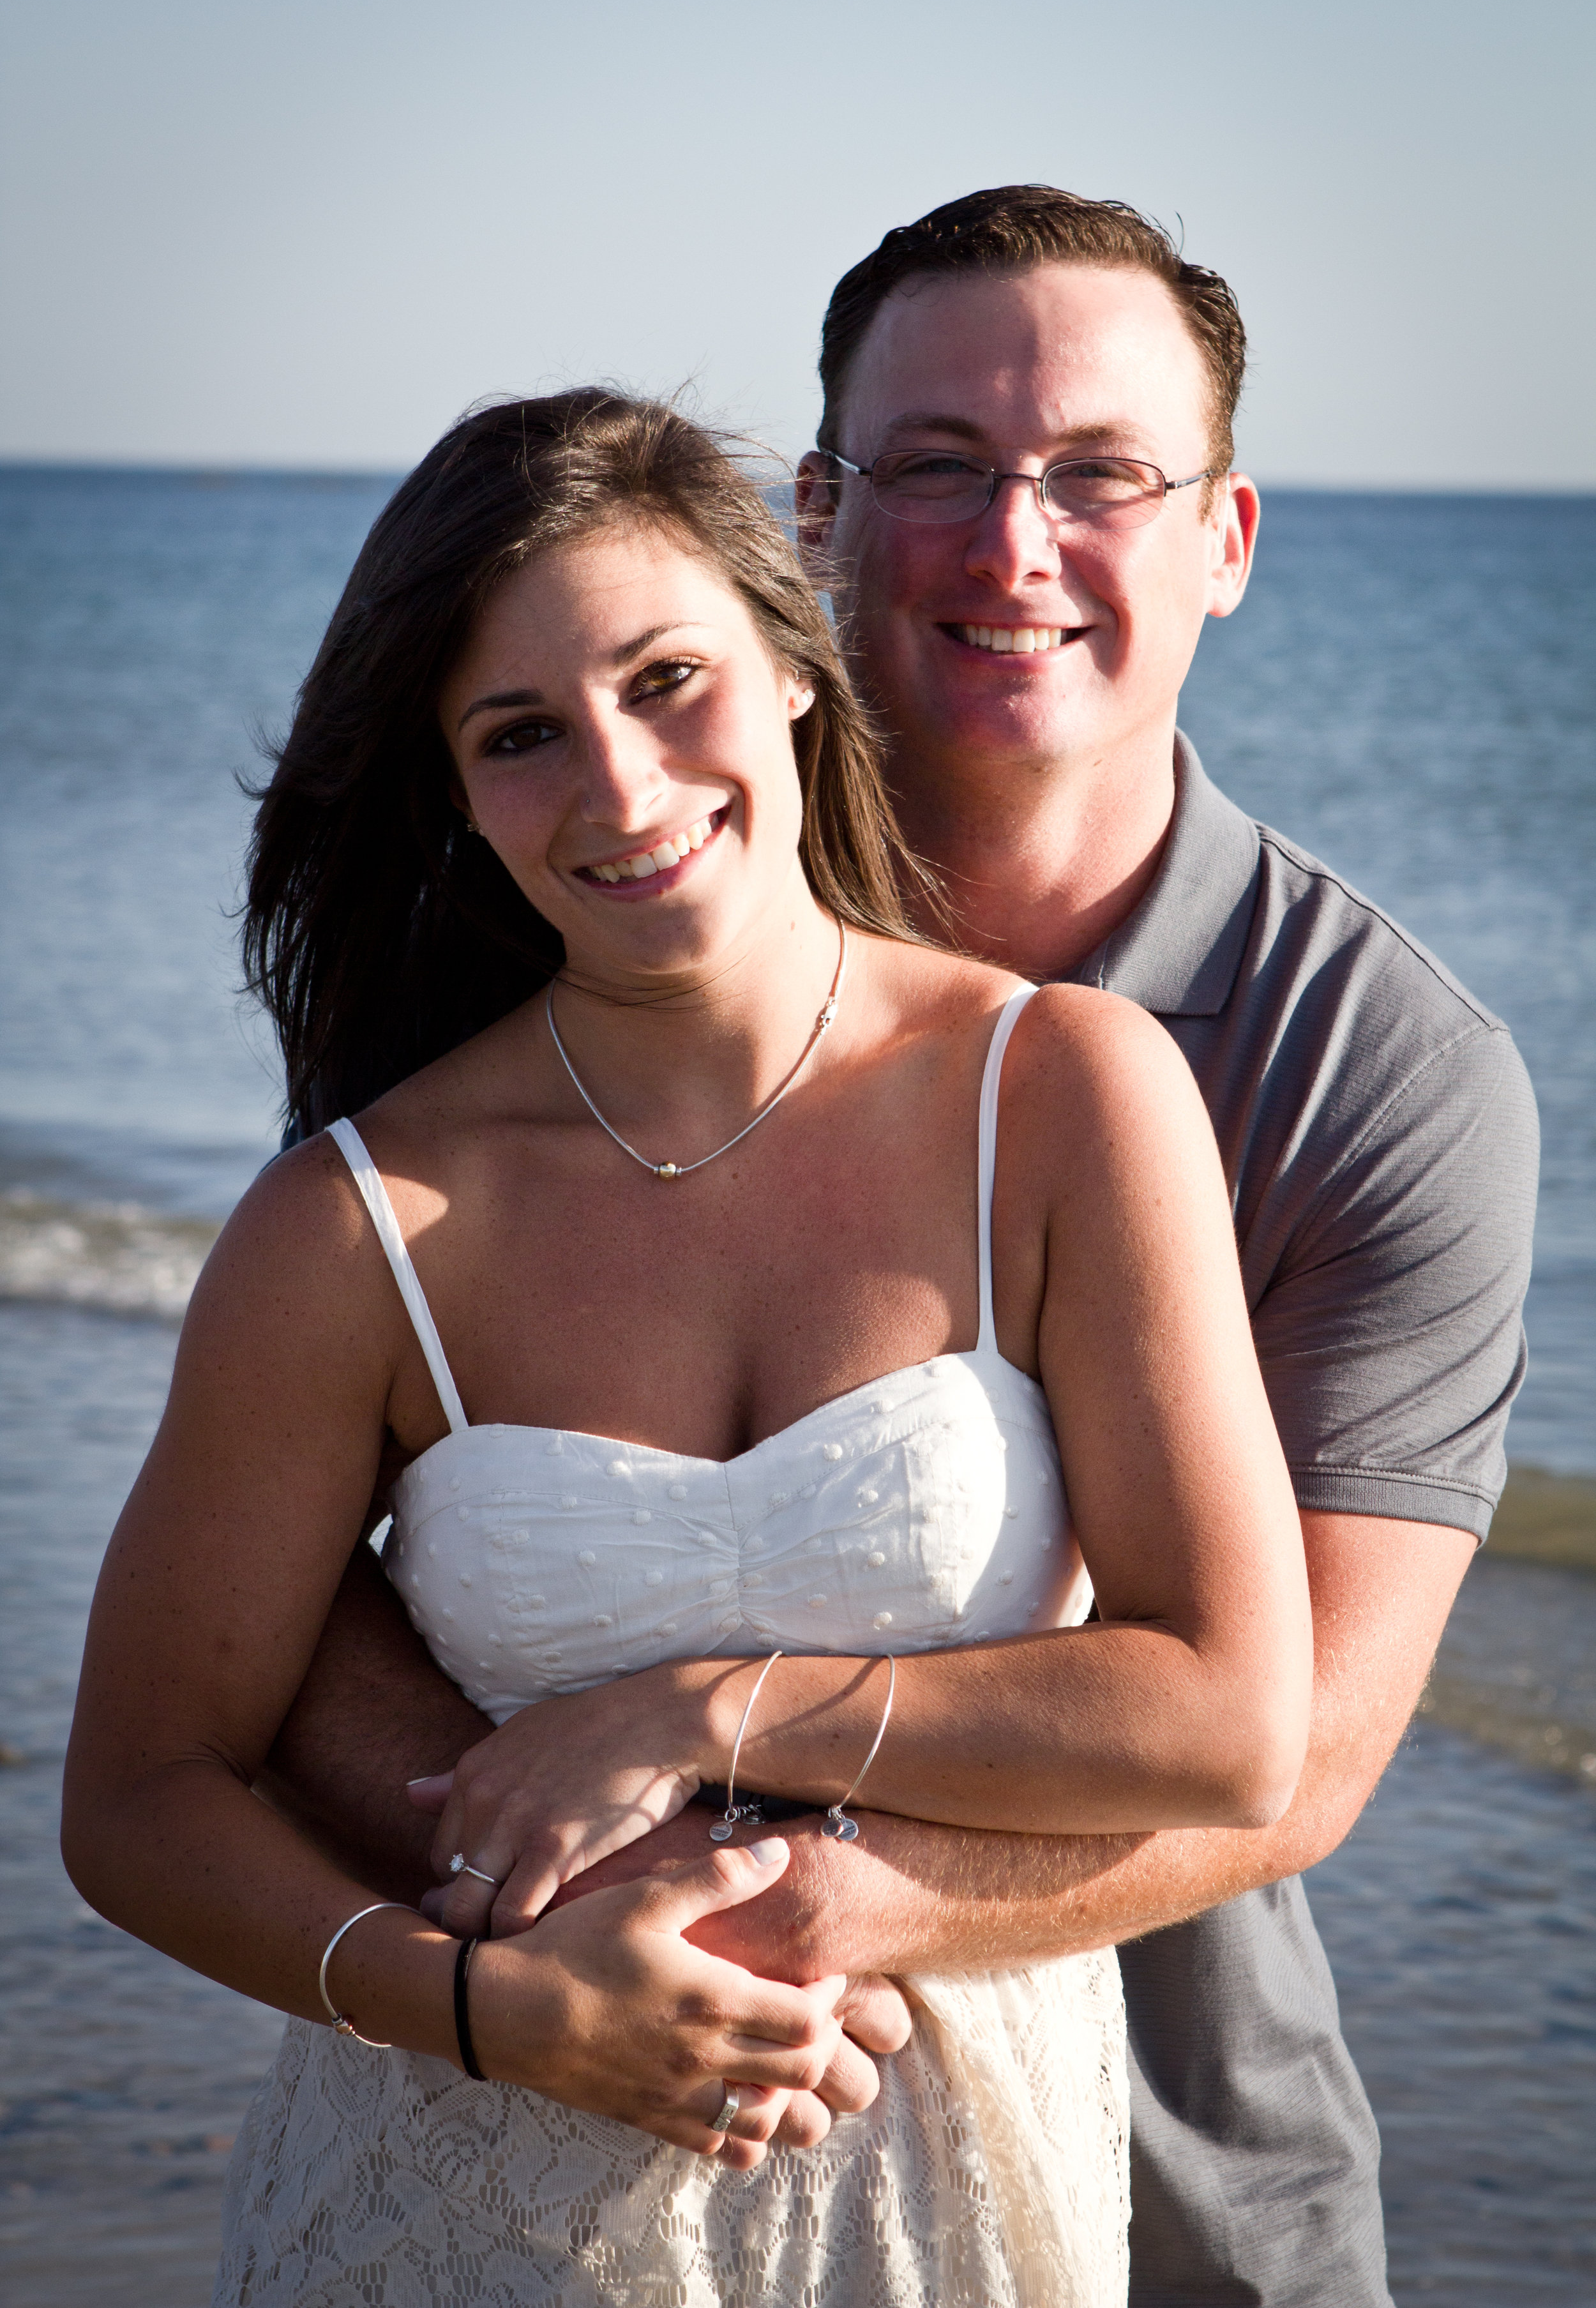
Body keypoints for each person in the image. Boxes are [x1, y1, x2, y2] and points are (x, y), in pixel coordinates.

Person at [260, 191, 1540, 2307]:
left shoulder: (1375, 1071)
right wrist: (547, 1934)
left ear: (1223, 541)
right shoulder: (558, 921)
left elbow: (1285, 1753)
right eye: (937, 467)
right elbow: (272, 1587)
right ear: (818, 518)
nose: (1009, 543)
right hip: (555, 2116)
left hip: (1158, 2161)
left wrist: (791, 1884)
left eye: (1099, 473)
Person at [62, 389, 1316, 2307]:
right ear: (454, 793)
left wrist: (710, 1700)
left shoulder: (1057, 1097)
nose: (623, 790)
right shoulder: (360, 1225)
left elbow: (1230, 1719)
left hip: (949, 2206)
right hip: (460, 2210)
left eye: (668, 681)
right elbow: (144, 1794)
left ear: (795, 665)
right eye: (520, 736)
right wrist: (491, 2015)